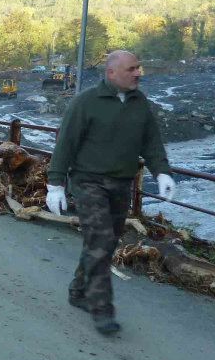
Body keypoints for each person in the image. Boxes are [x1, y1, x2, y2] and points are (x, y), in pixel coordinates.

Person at [45, 50, 175, 335]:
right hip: (88, 182)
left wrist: (161, 171)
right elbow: (65, 143)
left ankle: (78, 290)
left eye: (139, 68)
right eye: (132, 68)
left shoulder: (140, 103)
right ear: (112, 73)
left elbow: (151, 142)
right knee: (102, 241)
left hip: (121, 184)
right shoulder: (86, 103)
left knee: (103, 243)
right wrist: (55, 184)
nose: (138, 73)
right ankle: (101, 308)